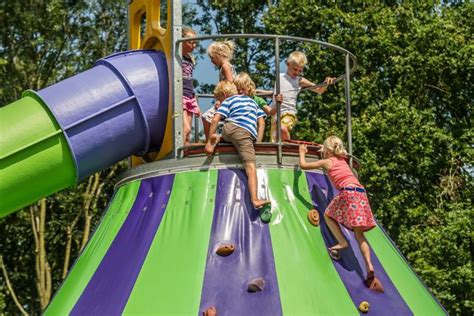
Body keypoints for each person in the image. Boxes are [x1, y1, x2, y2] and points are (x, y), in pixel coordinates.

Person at [298, 136, 384, 292]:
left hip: (348, 192)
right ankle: (369, 266)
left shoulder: (327, 162)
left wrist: (302, 152)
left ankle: (342, 242)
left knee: (328, 215)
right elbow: (333, 155)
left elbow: (303, 165)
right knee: (360, 234)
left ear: (328, 150)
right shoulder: (342, 159)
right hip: (360, 192)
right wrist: (324, 149)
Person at [205, 80, 270, 209]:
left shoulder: (228, 101)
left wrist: (207, 140)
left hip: (228, 129)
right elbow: (261, 122)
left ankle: (216, 138)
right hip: (244, 133)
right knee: (251, 168)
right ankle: (255, 199)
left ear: (224, 94)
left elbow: (215, 118)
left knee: (228, 135)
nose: (219, 102)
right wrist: (258, 141)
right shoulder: (252, 101)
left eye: (219, 99)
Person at [267, 51, 335, 142]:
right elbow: (274, 94)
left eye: (300, 70)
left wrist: (326, 83)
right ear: (288, 64)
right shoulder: (279, 77)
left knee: (282, 128)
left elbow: (319, 90)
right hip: (275, 114)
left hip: (288, 113)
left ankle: (289, 147)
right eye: (295, 69)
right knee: (275, 142)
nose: (297, 72)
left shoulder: (299, 80)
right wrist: (257, 92)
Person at [202, 40, 237, 140]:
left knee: (206, 117)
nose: (211, 61)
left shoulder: (225, 66)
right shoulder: (228, 66)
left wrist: (219, 100)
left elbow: (230, 83)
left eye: (212, 57)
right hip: (228, 98)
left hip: (227, 99)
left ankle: (209, 140)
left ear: (219, 55)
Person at [181, 27, 200, 146]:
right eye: (190, 42)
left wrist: (194, 99)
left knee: (188, 135)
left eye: (195, 43)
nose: (193, 45)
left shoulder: (189, 58)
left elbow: (190, 80)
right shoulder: (175, 56)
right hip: (180, 95)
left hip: (189, 95)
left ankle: (184, 155)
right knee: (185, 128)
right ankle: (176, 159)